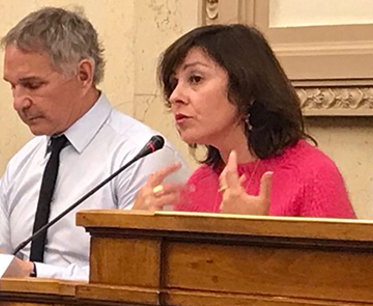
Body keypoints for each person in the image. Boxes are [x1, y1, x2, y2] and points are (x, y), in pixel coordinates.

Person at [0, 7, 188, 280]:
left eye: (32, 85)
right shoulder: (24, 162)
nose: (18, 102)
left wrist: (33, 273)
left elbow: (141, 274)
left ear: (83, 75)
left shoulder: (142, 154)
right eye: (12, 86)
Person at [133, 24, 356, 218]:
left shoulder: (313, 174)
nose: (175, 96)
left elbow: (347, 267)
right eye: (174, 83)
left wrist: (253, 232)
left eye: (196, 79)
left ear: (245, 89)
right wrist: (136, 231)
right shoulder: (199, 183)